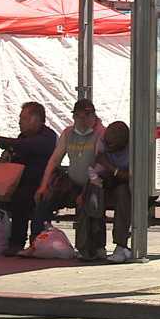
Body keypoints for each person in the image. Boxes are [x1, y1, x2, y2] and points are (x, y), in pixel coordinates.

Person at [0, 101, 57, 257]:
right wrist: (9, 151)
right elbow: (19, 145)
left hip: (37, 185)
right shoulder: (23, 137)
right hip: (14, 183)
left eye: (24, 118)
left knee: (22, 197)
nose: (20, 122)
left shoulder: (47, 137)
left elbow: (28, 146)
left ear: (36, 120)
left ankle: (16, 242)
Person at [28, 99, 106, 260]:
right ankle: (35, 243)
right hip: (71, 183)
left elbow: (100, 165)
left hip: (93, 184)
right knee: (43, 200)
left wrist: (86, 191)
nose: (82, 120)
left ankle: (90, 247)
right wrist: (43, 186)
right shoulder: (68, 133)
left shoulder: (100, 133)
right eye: (78, 116)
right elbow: (54, 161)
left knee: (88, 203)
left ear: (94, 116)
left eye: (86, 115)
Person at [93, 121, 132, 263]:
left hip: (134, 185)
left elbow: (130, 176)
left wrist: (107, 163)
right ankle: (97, 245)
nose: (106, 146)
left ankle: (121, 245)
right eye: (105, 142)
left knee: (122, 192)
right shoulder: (104, 139)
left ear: (122, 142)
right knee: (96, 192)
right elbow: (99, 168)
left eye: (110, 144)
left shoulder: (133, 146)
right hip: (112, 177)